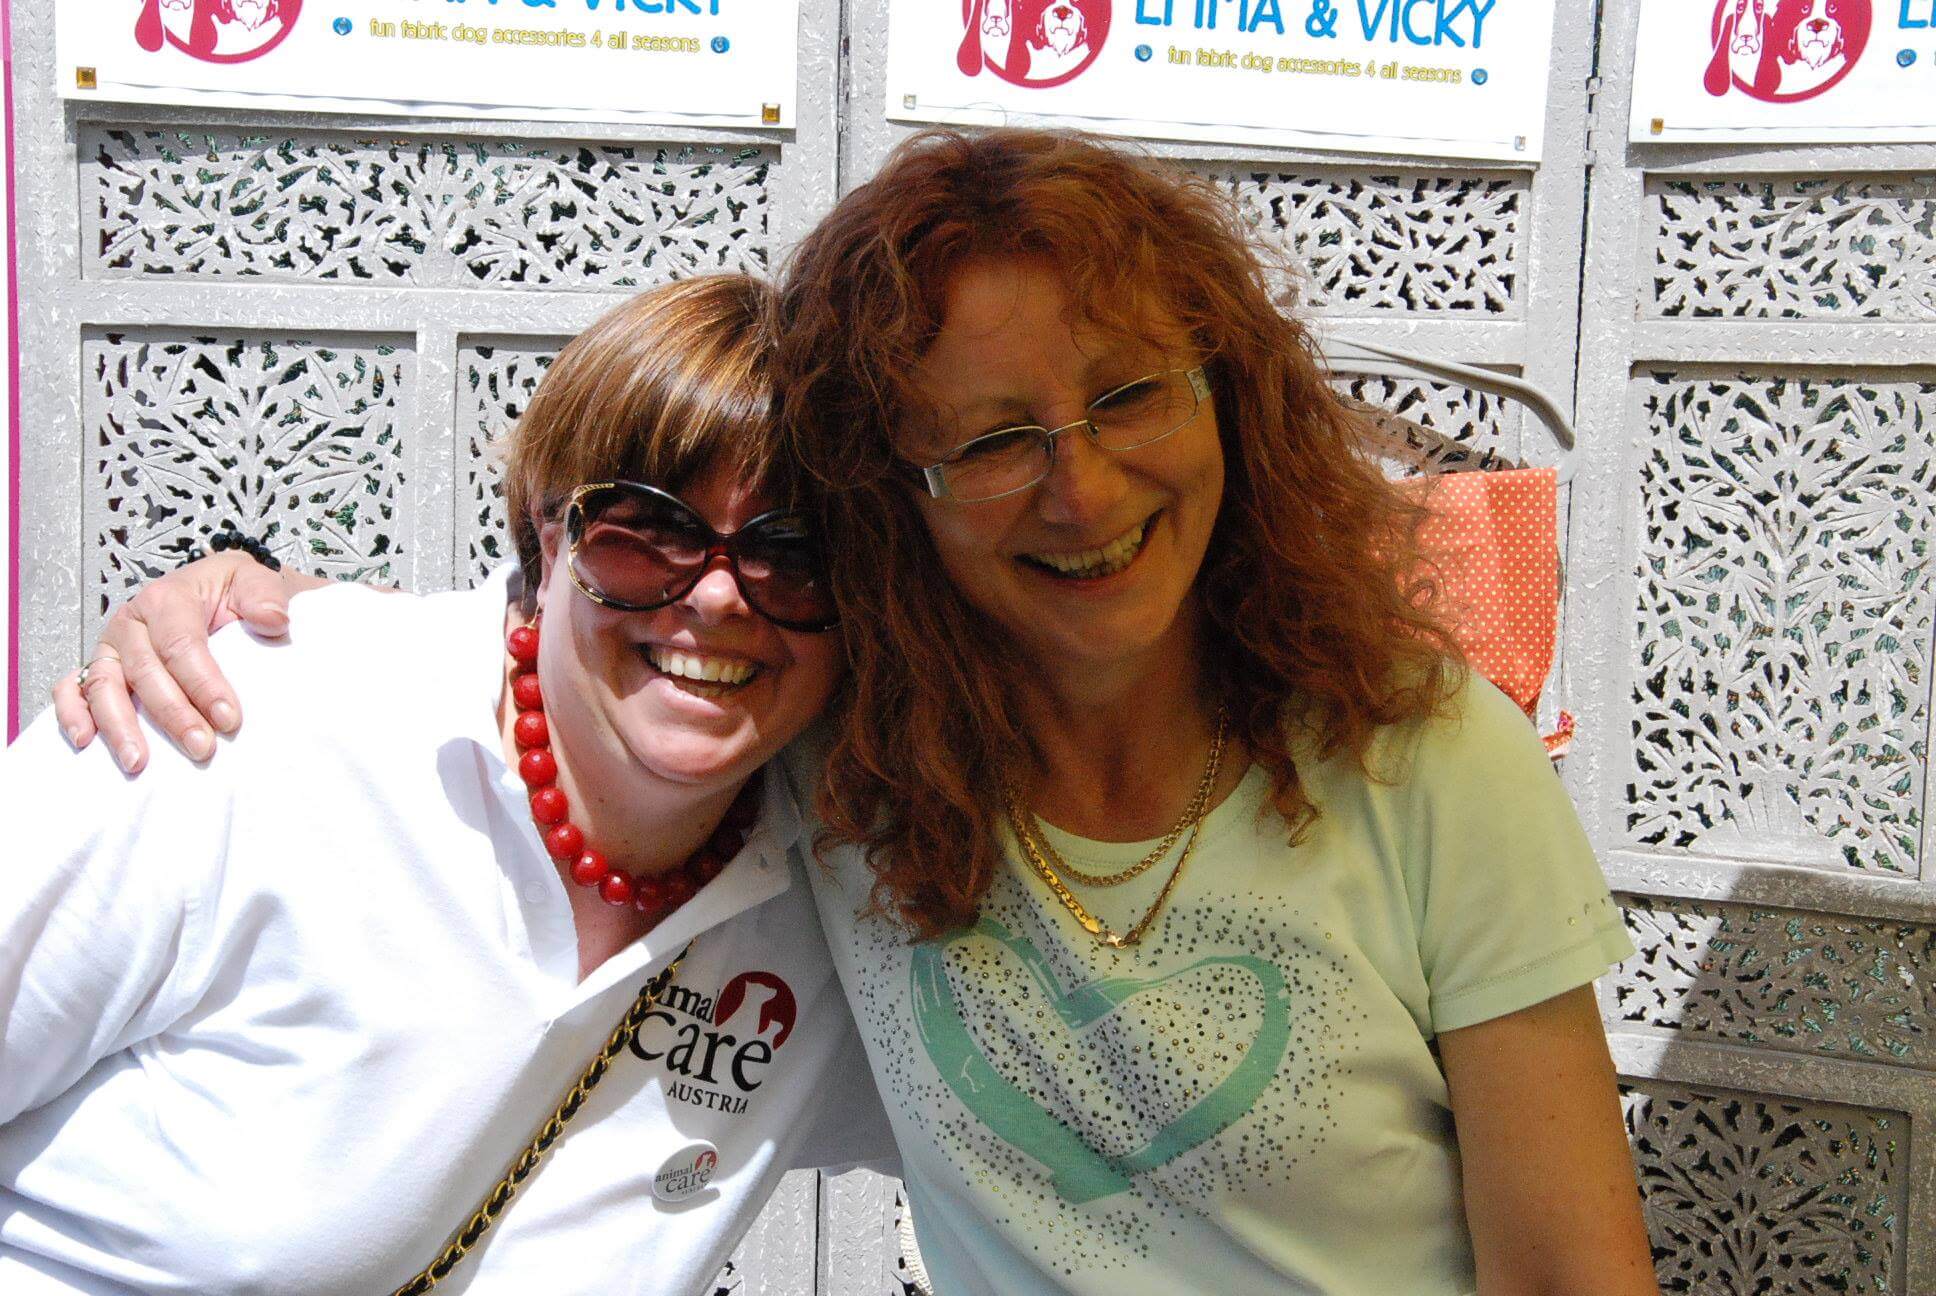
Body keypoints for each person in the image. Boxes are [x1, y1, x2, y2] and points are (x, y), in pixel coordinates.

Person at [58, 129, 1659, 1295]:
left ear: (1227, 398)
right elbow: (596, 645)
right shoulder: (860, 766)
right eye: (993, 439)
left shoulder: (1422, 753)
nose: (1082, 486)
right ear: (906, 505)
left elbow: (1573, 1275)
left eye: (1126, 395)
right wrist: (260, 615)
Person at [6, 274, 892, 1294]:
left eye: (794, 554)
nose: (721, 597)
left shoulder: (851, 896)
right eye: (647, 532)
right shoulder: (237, 725)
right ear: (548, 535)